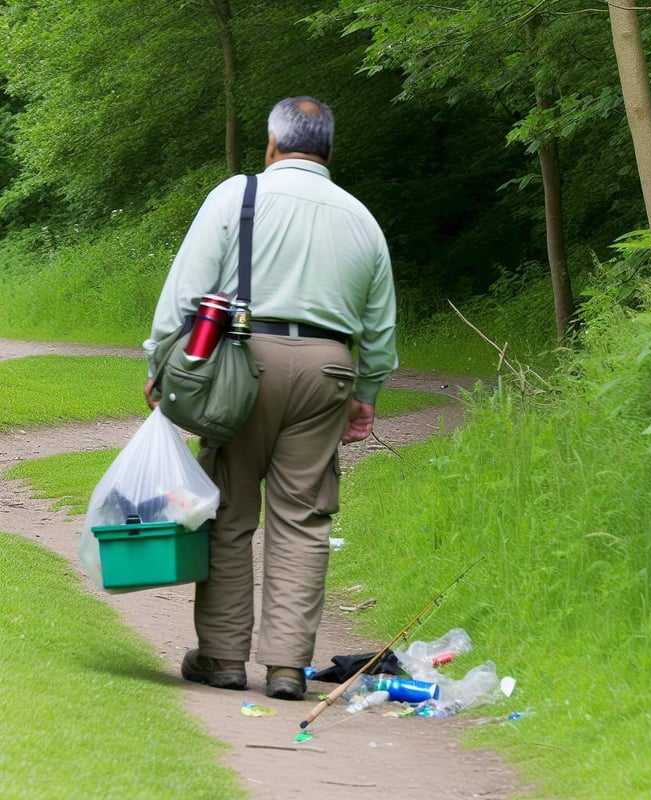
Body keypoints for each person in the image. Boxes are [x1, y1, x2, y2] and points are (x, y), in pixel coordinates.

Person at [142, 96, 397, 700]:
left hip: (239, 364)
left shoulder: (236, 196)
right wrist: (366, 391)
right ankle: (287, 667)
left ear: (272, 144)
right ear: (329, 150)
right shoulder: (362, 217)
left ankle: (223, 657)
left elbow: (186, 291)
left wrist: (164, 364)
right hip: (328, 372)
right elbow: (381, 325)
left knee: (229, 510)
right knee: (304, 518)